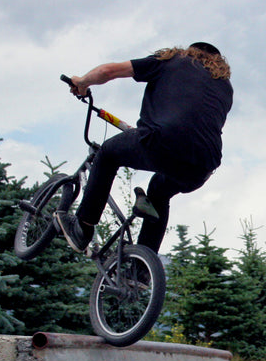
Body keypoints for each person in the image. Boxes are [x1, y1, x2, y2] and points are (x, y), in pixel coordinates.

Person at [55, 42, 233, 254]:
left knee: (108, 154)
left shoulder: (173, 61)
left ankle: (82, 227)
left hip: (161, 141)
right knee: (159, 192)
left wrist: (82, 82)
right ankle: (141, 270)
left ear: (190, 51)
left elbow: (107, 71)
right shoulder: (224, 87)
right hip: (203, 166)